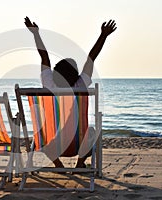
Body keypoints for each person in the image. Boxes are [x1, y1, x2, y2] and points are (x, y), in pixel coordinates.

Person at [24, 16, 116, 168]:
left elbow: (44, 56)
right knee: (92, 131)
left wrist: (35, 33)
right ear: (76, 74)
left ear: (55, 73)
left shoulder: (49, 84)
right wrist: (103, 35)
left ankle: (58, 164)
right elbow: (91, 59)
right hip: (77, 144)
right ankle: (80, 162)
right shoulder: (80, 85)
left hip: (52, 144)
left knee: (43, 132)